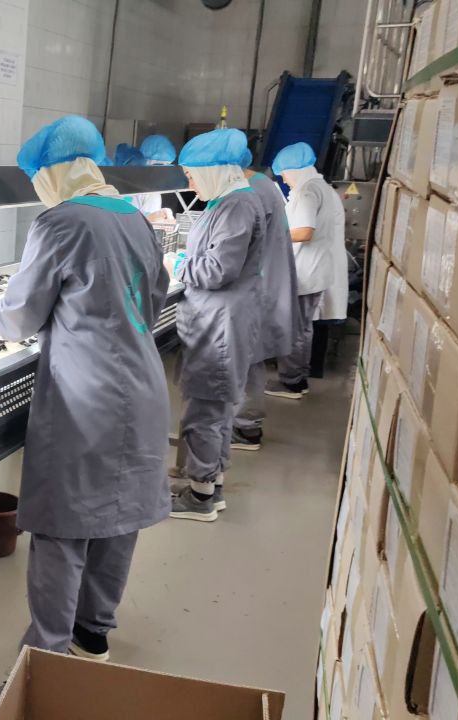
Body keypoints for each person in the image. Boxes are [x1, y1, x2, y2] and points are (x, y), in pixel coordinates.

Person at [0, 116, 171, 718]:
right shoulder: (132, 216)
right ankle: (92, 635)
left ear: (53, 173)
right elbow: (154, 293)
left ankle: (44, 667)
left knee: (63, 530)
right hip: (142, 385)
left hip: (88, 395)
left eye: (38, 177)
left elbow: (21, 315)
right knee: (117, 522)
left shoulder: (61, 222)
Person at [164, 128, 265, 522]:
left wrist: (175, 264)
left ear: (215, 170)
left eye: (192, 174)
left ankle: (199, 497)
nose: (189, 183)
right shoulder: (228, 201)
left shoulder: (236, 206)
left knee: (205, 411)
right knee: (217, 410)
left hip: (218, 327)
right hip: (219, 320)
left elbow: (217, 270)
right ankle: (211, 485)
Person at [230, 147, 301, 451]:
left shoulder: (250, 192)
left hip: (258, 283)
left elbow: (232, 248)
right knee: (250, 357)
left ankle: (245, 428)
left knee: (248, 359)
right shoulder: (263, 184)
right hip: (265, 279)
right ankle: (245, 423)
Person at [265, 142, 347, 399]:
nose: (284, 180)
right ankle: (298, 378)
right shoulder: (322, 188)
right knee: (302, 328)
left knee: (293, 329)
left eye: (284, 174)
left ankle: (292, 383)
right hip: (315, 272)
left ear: (294, 169)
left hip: (305, 273)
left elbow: (303, 232)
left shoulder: (307, 191)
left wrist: (270, 234)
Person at [127, 134, 177, 224]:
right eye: (159, 165)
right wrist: (149, 218)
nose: (163, 173)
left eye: (167, 166)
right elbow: (126, 222)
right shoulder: (134, 186)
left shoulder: (153, 189)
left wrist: (162, 214)